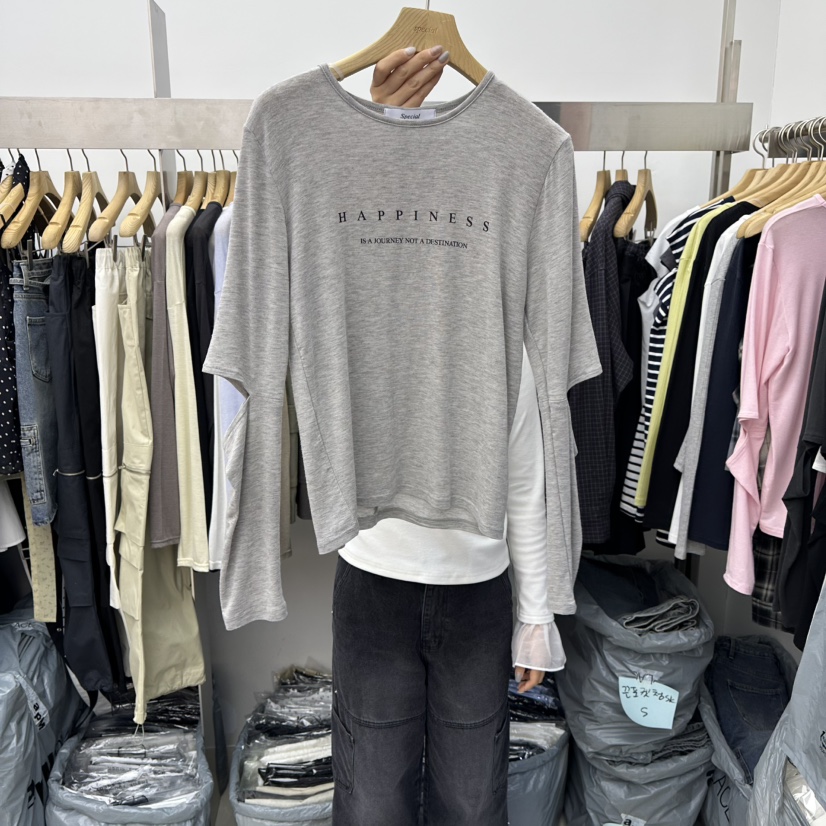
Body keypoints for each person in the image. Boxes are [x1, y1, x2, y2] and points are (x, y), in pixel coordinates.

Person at [330, 49, 567, 824]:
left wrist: (536, 614)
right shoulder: (362, 292)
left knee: (472, 800)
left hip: (477, 592)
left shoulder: (497, 310)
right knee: (374, 797)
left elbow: (527, 469)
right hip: (374, 577)